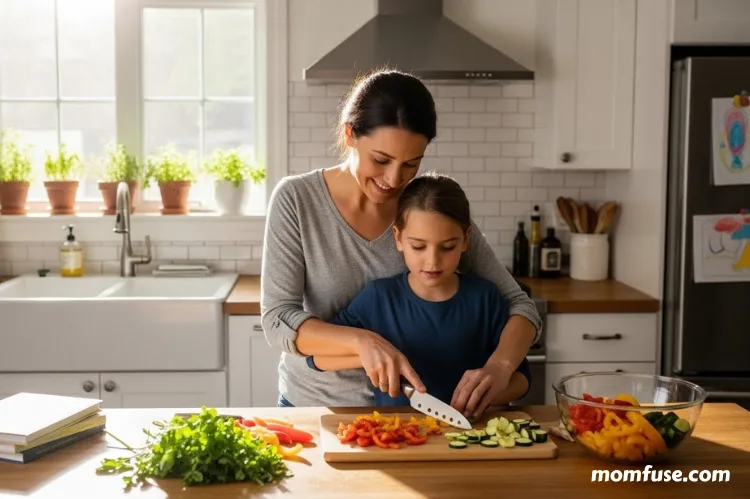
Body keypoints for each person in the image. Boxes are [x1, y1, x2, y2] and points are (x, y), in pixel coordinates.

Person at [261, 68, 541, 418]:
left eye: (411, 163)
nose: (394, 180)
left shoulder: (424, 207)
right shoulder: (297, 199)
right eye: (381, 160)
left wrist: (500, 366)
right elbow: (278, 320)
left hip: (411, 418)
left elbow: (520, 305)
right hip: (318, 409)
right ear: (350, 134)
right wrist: (361, 340)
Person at [305, 172, 532, 410]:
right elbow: (316, 358)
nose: (432, 261)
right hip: (397, 438)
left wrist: (481, 395)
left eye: (447, 247)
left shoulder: (486, 299)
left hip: (471, 437)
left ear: (466, 240)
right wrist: (366, 355)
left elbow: (522, 379)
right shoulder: (378, 298)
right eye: (418, 246)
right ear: (398, 238)